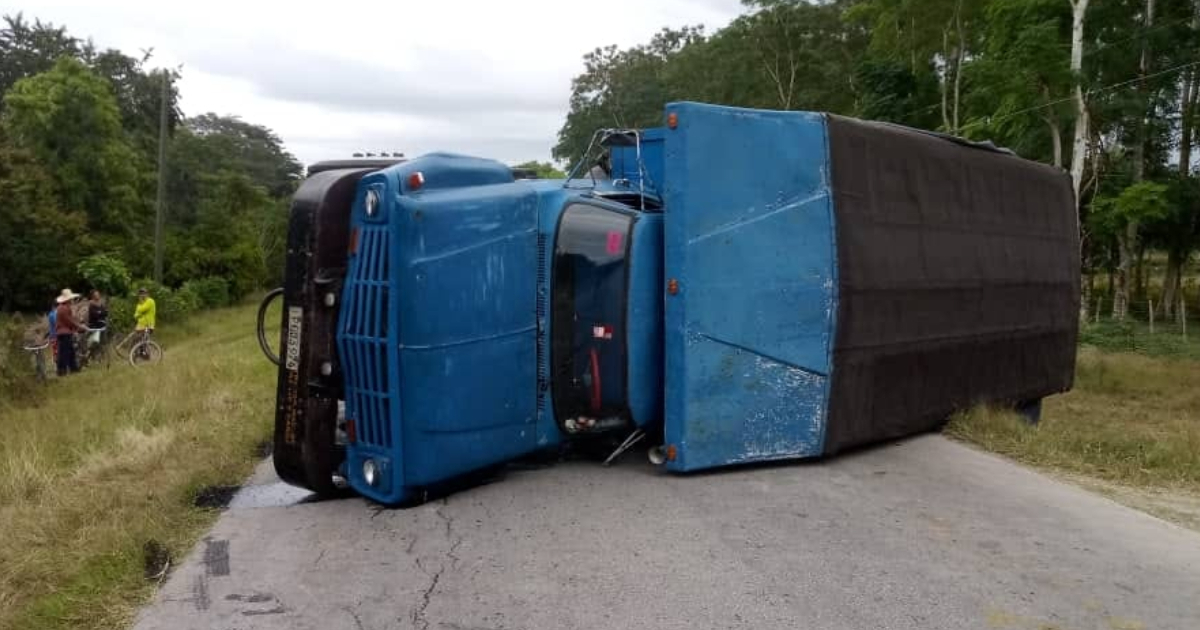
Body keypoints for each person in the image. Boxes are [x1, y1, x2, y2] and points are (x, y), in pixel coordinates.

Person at [54, 288, 83, 376]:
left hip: (64, 332)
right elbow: (69, 321)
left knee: (69, 351)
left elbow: (71, 320)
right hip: (64, 333)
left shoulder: (62, 308)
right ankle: (62, 370)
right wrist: (79, 327)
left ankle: (72, 368)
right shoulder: (64, 309)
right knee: (65, 352)